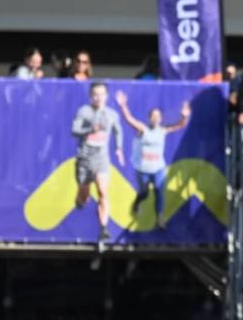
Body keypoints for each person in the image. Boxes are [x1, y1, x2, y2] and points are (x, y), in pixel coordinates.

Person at [115, 90, 190, 221]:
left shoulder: (163, 130)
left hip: (158, 168)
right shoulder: (143, 130)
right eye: (153, 116)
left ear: (161, 119)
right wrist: (123, 105)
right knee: (144, 193)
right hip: (143, 168)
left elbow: (180, 125)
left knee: (159, 191)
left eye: (158, 116)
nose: (155, 118)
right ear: (149, 118)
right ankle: (137, 203)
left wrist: (184, 116)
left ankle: (160, 217)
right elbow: (129, 119)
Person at [71, 82, 124, 245]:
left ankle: (103, 229)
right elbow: (74, 130)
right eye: (95, 94)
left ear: (106, 96)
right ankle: (80, 200)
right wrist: (89, 130)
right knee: (84, 194)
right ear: (90, 96)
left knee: (103, 191)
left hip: (102, 159)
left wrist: (119, 148)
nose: (98, 98)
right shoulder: (84, 111)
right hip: (85, 158)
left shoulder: (112, 114)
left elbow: (118, 130)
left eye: (101, 94)